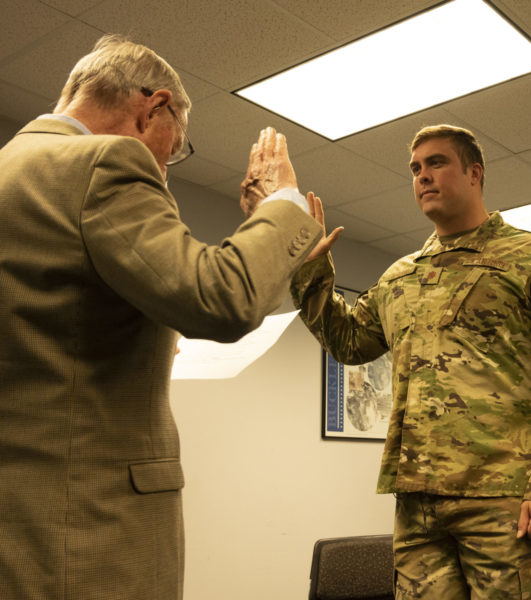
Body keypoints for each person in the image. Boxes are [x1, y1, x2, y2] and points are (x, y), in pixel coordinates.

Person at [0, 35, 323, 600]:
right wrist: (282, 207)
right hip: (89, 529)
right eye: (174, 150)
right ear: (154, 109)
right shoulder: (103, 161)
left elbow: (47, 331)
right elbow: (221, 300)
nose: (167, 169)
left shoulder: (12, 169)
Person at [289, 124, 531, 599]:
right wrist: (310, 270)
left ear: (474, 173)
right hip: (418, 505)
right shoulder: (400, 277)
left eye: (436, 163)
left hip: (505, 499)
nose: (423, 176)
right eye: (415, 169)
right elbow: (350, 342)